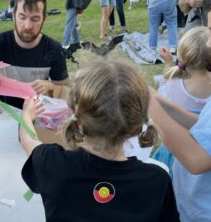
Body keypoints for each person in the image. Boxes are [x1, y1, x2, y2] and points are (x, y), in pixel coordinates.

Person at [20, 60, 180, 222]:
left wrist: (27, 114)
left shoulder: (52, 164)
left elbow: (28, 140)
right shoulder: (157, 181)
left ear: (76, 117)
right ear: (136, 122)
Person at [149, 0, 211, 221]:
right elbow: (205, 126)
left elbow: (196, 158)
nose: (210, 43)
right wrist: (159, 100)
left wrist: (150, 105)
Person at [152, 27, 211, 174]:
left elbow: (162, 101)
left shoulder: (172, 84)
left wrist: (168, 62)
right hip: (207, 150)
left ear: (182, 53)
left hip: (176, 152)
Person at [0, 0, 69, 109]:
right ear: (13, 16)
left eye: (35, 19)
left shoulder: (54, 49)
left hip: (37, 116)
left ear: (44, 19)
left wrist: (50, 85)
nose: (27, 26)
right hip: (2, 113)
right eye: (22, 17)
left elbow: (66, 89)